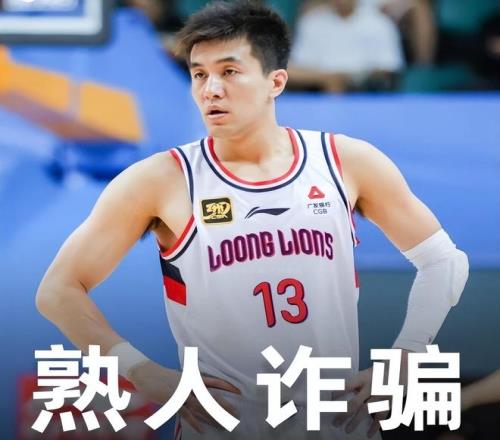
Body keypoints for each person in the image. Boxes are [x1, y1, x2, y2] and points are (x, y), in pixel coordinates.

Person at [36, 1, 469, 439]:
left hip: (335, 426)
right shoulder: (160, 179)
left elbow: (444, 262)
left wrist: (406, 356)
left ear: (275, 82)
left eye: (229, 71)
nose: (211, 89)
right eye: (199, 74)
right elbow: (58, 290)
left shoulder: (345, 161)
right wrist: (140, 370)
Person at [288, 0, 404, 92]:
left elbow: (389, 68)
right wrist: (328, 79)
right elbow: (297, 66)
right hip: (317, 90)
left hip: (365, 92)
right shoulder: (311, 22)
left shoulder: (380, 23)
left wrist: (350, 78)